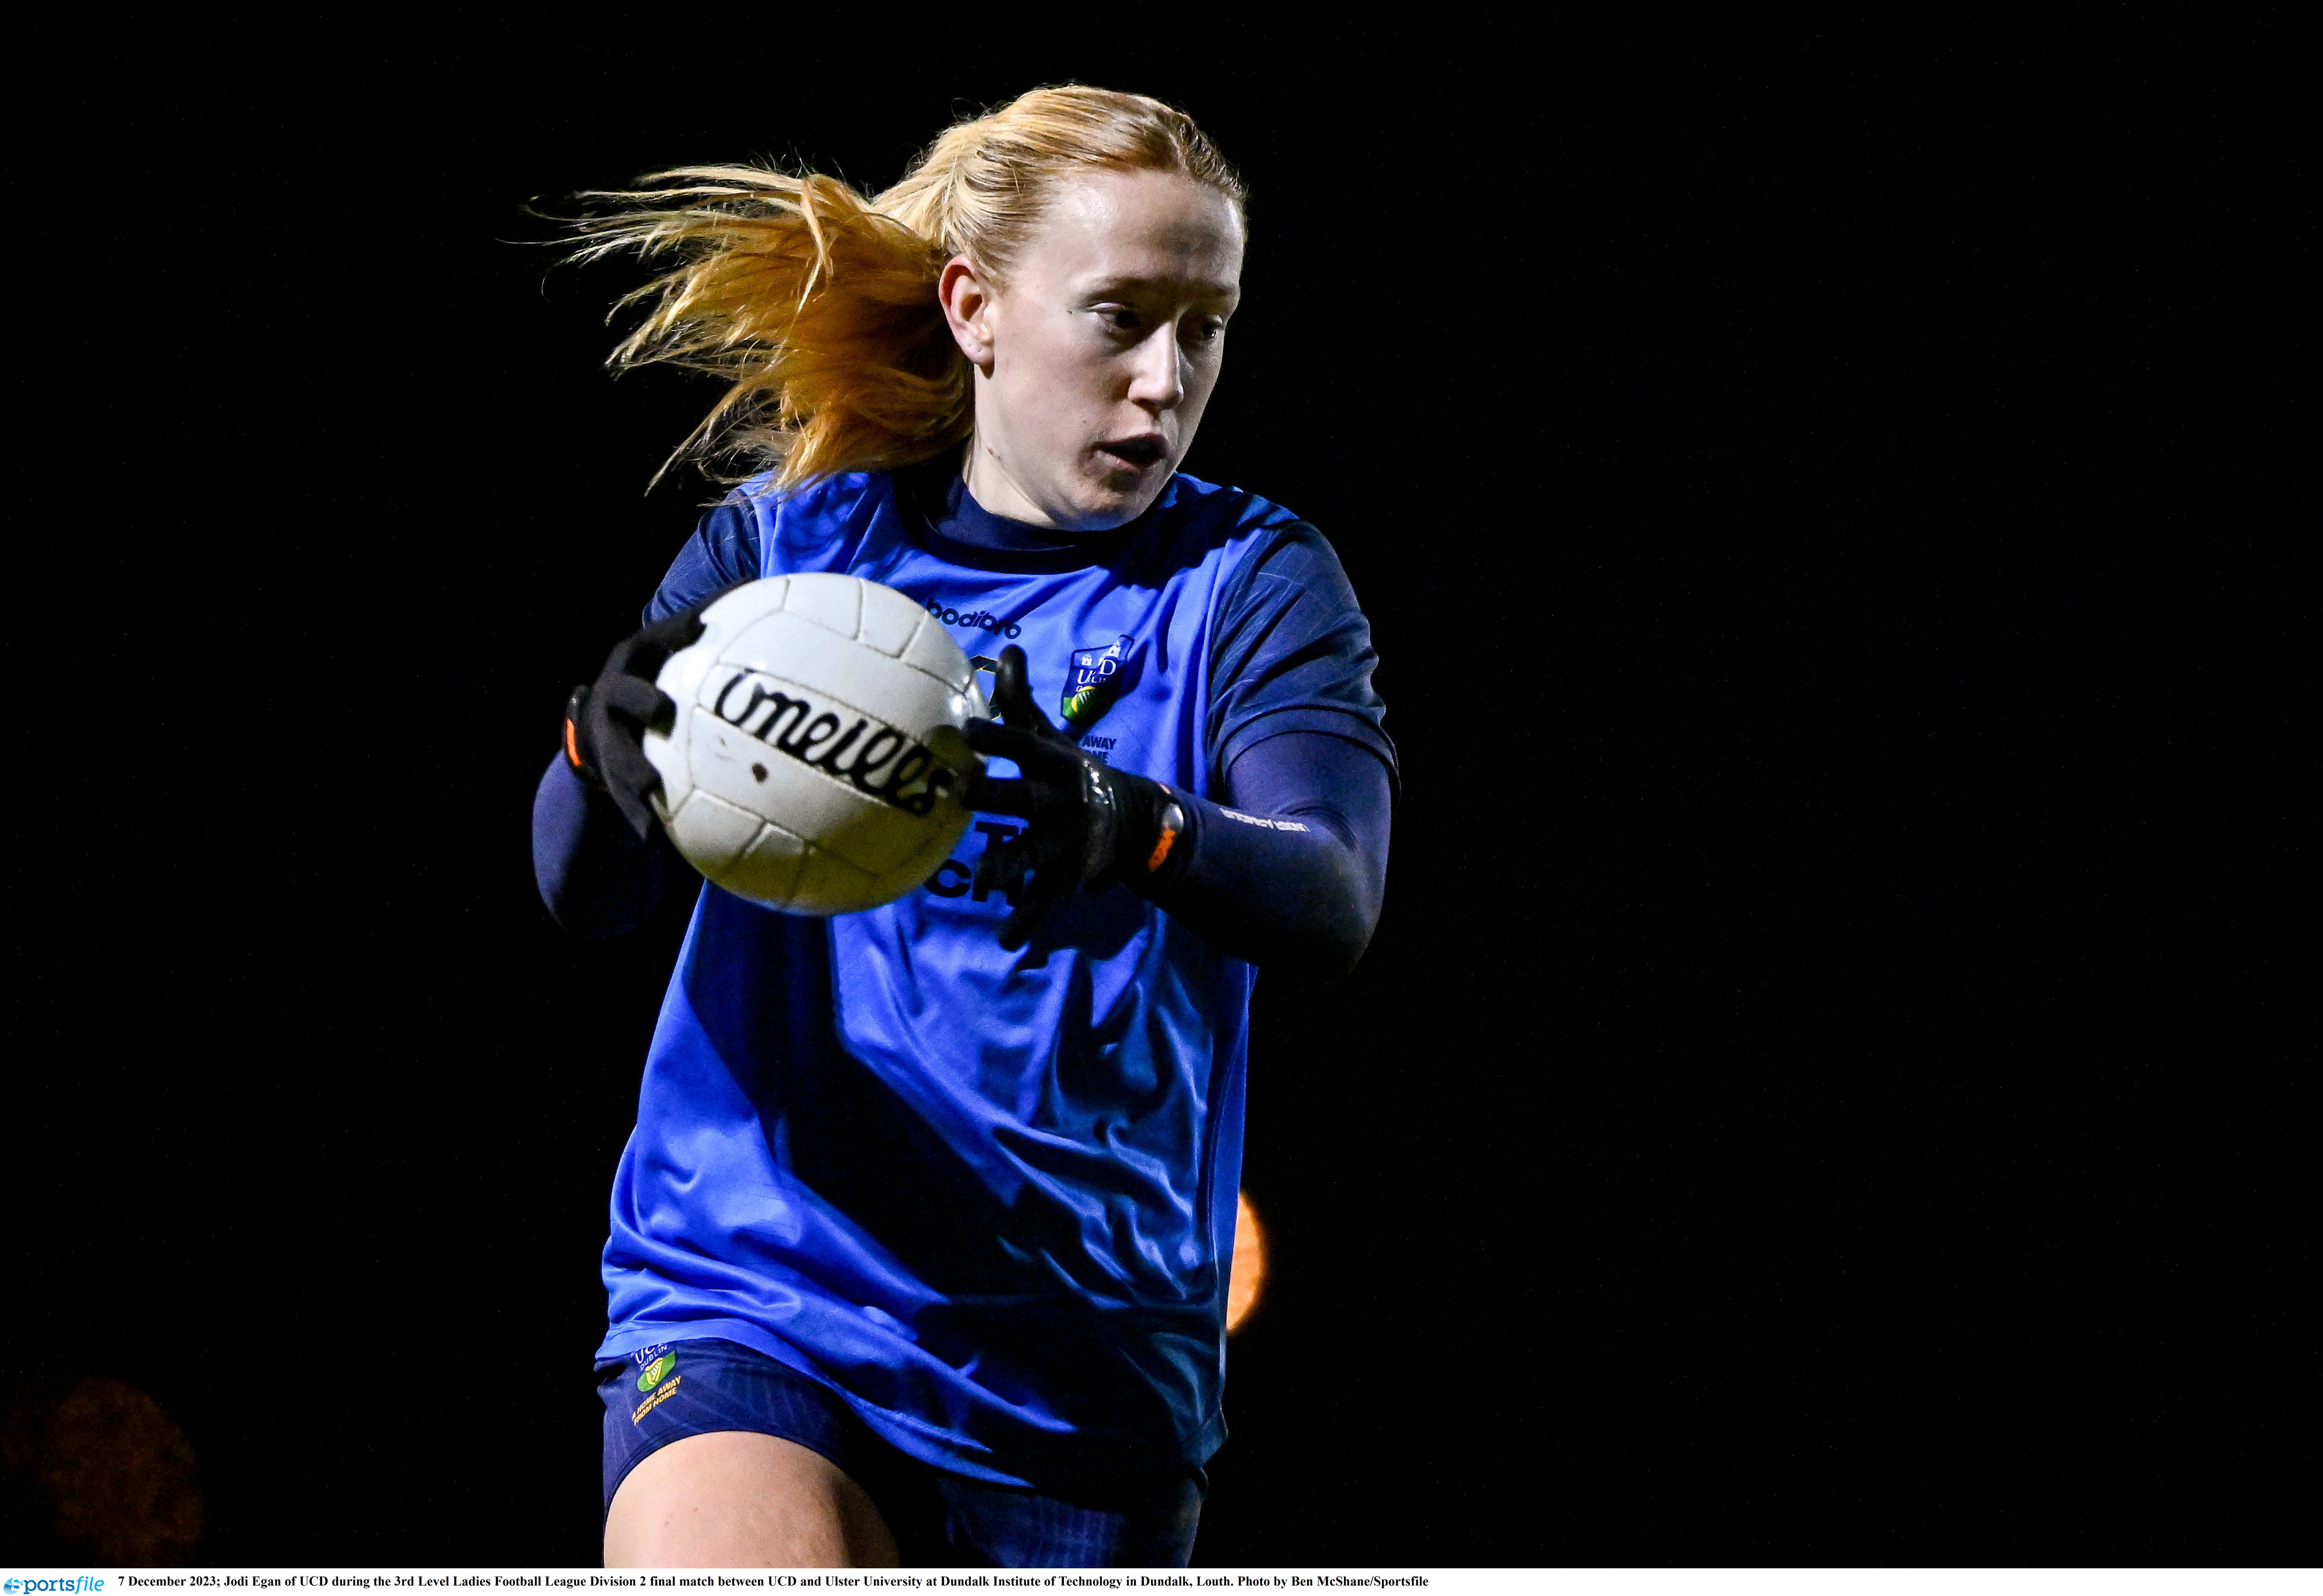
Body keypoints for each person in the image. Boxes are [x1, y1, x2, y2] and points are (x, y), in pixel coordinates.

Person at [534, 86, 1395, 1568]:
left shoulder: (1249, 579)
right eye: (1119, 316)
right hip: (762, 1296)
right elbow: (579, 893)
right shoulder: (788, 547)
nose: (1162, 381)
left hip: (1085, 1380)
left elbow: (1332, 894)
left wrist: (1131, 824)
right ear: (973, 308)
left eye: (1206, 328)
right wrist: (597, 744)